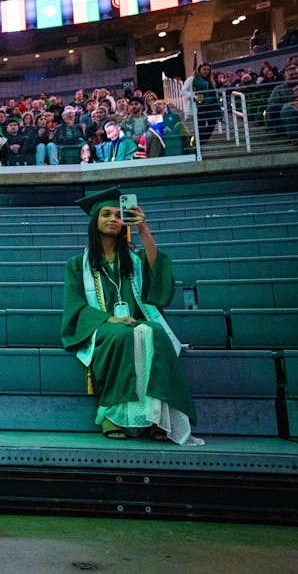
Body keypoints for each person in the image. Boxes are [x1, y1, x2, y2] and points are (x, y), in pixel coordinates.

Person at [60, 187, 201, 446]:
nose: (113, 218)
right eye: (106, 214)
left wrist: (143, 230)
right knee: (122, 334)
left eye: (118, 214)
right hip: (102, 328)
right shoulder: (75, 265)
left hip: (135, 323)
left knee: (152, 332)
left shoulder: (134, 260)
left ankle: (158, 418)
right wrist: (107, 319)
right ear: (95, 221)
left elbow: (159, 288)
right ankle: (112, 414)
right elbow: (75, 306)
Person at [181, 63, 221, 144]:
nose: (206, 71)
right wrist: (195, 96)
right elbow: (183, 91)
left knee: (212, 122)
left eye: (208, 70)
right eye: (204, 69)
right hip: (199, 104)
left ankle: (203, 139)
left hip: (211, 104)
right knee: (201, 123)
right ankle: (200, 141)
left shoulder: (210, 80)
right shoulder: (192, 79)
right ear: (199, 70)